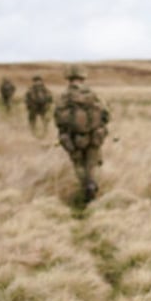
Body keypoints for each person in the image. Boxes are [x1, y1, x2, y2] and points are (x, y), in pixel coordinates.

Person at [53, 65, 110, 203]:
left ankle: (85, 188)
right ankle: (92, 186)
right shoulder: (93, 95)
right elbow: (106, 115)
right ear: (83, 78)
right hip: (94, 136)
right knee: (92, 164)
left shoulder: (64, 96)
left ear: (68, 79)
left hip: (74, 138)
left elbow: (58, 119)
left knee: (78, 164)